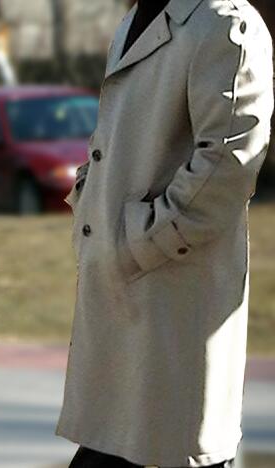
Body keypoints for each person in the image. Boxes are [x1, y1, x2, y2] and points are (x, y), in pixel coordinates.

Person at [57, 1, 273, 467]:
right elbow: (116, 137)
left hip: (173, 292)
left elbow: (230, 162)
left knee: (180, 449)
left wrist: (140, 241)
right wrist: (89, 196)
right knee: (116, 441)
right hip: (123, 292)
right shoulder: (137, 18)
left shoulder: (226, 24)